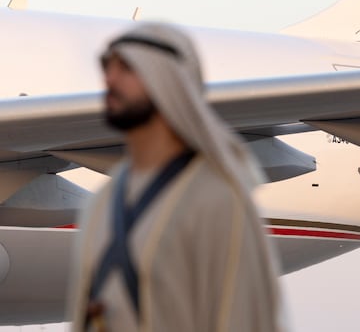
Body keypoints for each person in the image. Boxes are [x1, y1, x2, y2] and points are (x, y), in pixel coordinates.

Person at [68, 22, 287, 332]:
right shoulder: (102, 202)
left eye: (126, 67)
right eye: (106, 65)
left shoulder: (216, 201)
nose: (110, 78)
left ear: (167, 82)